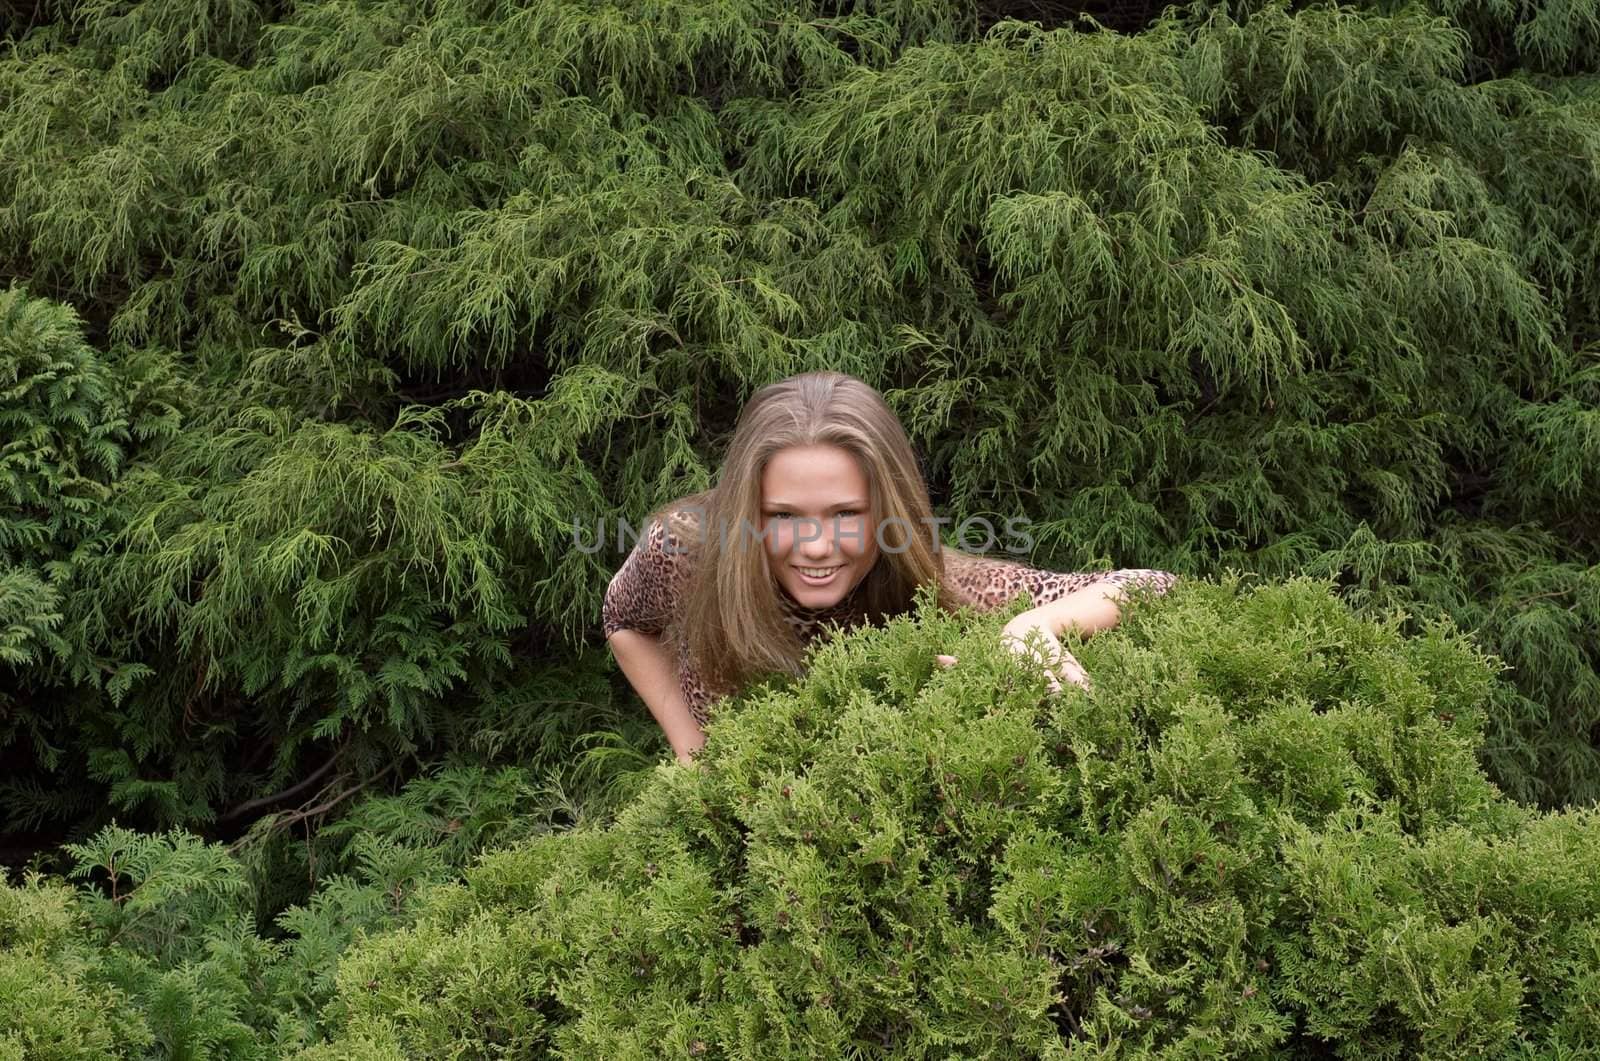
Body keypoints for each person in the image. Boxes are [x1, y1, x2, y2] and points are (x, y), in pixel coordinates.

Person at [603, 371, 1177, 765]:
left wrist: (1032, 628)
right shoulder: (687, 553)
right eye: (782, 514)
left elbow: (1156, 585)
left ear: (889, 507)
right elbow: (622, 618)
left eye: (846, 513)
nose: (816, 546)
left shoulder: (940, 589)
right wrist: (690, 747)